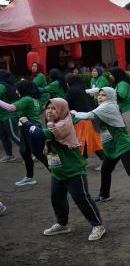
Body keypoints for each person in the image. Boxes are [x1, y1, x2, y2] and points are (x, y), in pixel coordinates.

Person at [72, 87, 130, 208]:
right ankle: (104, 194)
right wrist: (83, 91)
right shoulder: (104, 106)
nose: (99, 97)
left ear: (110, 97)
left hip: (122, 144)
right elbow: (96, 94)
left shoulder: (108, 106)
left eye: (103, 95)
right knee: (105, 169)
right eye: (99, 95)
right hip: (111, 145)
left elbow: (87, 115)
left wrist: (75, 113)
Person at [33, 98, 105, 241]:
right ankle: (62, 224)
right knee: (57, 198)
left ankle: (98, 225)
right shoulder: (51, 124)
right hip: (58, 170)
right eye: (48, 108)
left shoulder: (63, 125)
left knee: (81, 198)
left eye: (54, 108)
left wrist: (27, 123)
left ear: (61, 110)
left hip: (73, 170)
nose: (49, 111)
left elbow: (40, 134)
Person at [0, 80, 49, 186]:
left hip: (31, 130)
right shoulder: (34, 99)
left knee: (40, 154)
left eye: (17, 89)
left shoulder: (26, 99)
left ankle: (59, 176)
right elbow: (41, 109)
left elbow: (11, 108)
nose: (16, 91)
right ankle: (29, 177)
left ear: (23, 90)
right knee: (25, 152)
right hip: (30, 129)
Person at [65, 75, 104, 167]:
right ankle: (83, 161)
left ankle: (104, 161)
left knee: (89, 142)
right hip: (89, 118)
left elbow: (65, 103)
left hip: (81, 120)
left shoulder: (72, 90)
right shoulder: (81, 89)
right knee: (86, 141)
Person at [0, 70, 20, 163]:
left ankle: (32, 152)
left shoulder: (2, 85)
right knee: (3, 136)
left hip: (8, 116)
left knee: (14, 135)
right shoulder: (9, 84)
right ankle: (9, 155)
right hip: (3, 115)